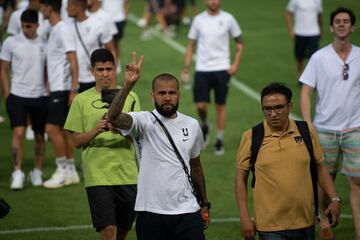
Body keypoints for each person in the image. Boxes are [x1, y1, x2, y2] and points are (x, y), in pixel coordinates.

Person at [107, 58, 210, 240]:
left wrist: (204, 204)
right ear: (153, 95)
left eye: (172, 93)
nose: (167, 97)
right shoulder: (142, 122)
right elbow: (113, 117)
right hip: (150, 211)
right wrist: (128, 85)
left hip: (187, 211)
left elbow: (196, 166)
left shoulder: (192, 125)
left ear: (179, 95)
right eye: (162, 93)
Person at [235, 82, 341, 240]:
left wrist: (334, 199)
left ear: (289, 106)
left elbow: (320, 168)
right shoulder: (251, 137)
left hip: (306, 222)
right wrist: (244, 216)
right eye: (267, 109)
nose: (273, 114)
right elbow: (240, 179)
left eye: (278, 107)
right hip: (270, 227)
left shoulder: (306, 131)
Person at [64, 48, 139, 240]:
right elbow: (76, 142)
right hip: (98, 176)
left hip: (128, 175)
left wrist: (121, 129)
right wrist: (96, 130)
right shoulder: (81, 100)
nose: (105, 74)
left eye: (109, 69)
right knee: (108, 231)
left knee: (123, 230)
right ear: (92, 71)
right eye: (100, 70)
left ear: (115, 69)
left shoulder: (131, 97)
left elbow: (139, 135)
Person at [300, 7, 360, 240]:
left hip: (355, 128)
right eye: (338, 21)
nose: (342, 24)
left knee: (357, 181)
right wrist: (307, 124)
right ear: (332, 27)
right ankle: (323, 222)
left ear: (352, 27)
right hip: (324, 129)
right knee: (325, 180)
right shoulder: (319, 57)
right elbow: (306, 91)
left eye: (346, 21)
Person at [181, 0, 243, 155]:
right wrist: (186, 67)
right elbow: (191, 45)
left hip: (222, 69)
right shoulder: (198, 20)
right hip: (202, 69)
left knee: (220, 105)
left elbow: (240, 44)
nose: (213, 1)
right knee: (200, 105)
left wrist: (235, 64)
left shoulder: (228, 19)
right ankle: (206, 124)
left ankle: (219, 139)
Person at [0, 9, 47, 190]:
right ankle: (17, 171)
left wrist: (48, 91)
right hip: (18, 95)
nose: (25, 29)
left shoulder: (45, 42)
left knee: (39, 137)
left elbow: (48, 69)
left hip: (40, 96)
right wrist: (7, 94)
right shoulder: (11, 42)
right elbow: (3, 69)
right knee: (18, 134)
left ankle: (37, 171)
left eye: (29, 26)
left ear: (37, 25)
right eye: (23, 26)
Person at [40, 0, 80, 189]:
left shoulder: (62, 28)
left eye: (42, 6)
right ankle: (71, 171)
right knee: (63, 130)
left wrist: (73, 89)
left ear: (49, 7)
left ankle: (61, 170)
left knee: (51, 129)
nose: (40, 10)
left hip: (63, 88)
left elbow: (73, 60)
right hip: (58, 87)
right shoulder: (55, 28)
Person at [66, 0, 116, 93]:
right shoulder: (66, 26)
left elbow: (111, 50)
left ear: (79, 7)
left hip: (96, 79)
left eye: (69, 5)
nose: (66, 9)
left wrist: (113, 77)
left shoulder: (98, 25)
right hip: (74, 80)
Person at [284, 0, 323, 79]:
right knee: (299, 58)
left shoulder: (318, 1)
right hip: (299, 33)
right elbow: (288, 13)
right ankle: (300, 77)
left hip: (314, 33)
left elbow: (319, 15)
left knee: (314, 58)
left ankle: (312, 79)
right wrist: (290, 30)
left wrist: (321, 29)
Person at [101, 0, 128, 73]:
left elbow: (126, 2)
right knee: (108, 43)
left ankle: (117, 62)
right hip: (106, 20)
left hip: (119, 19)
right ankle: (108, 63)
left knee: (116, 43)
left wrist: (125, 15)